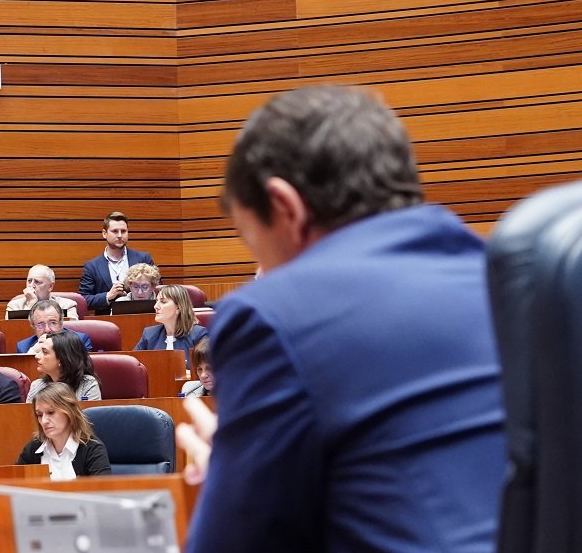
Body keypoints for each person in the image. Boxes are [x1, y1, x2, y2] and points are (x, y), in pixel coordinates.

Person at [175, 86, 506, 552]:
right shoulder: (503, 276)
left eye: (254, 243)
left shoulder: (270, 317)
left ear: (286, 206)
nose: (263, 272)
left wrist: (226, 480)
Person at [16, 381, 112, 480]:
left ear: (69, 412)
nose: (44, 421)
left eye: (51, 412)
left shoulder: (92, 449)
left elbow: (103, 492)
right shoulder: (33, 449)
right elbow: (14, 487)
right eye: (40, 415)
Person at [78, 211, 156, 314]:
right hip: (106, 322)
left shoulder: (143, 258)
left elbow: (157, 289)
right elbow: (83, 300)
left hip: (141, 316)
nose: (120, 235)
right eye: (115, 231)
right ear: (104, 233)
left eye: (123, 231)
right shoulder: (92, 266)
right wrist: (108, 296)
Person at [133, 284, 208, 364]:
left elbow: (206, 369)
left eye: (163, 302)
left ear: (178, 308)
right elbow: (134, 366)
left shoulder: (199, 335)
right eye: (156, 301)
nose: (156, 306)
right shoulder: (149, 335)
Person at [26, 330, 101, 402]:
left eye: (45, 352)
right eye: (40, 351)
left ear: (62, 359)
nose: (37, 356)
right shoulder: (36, 386)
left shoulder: (87, 384)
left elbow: (90, 415)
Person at [14, 299, 94, 354]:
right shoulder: (24, 347)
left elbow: (81, 371)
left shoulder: (80, 341)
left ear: (61, 323)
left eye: (52, 323)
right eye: (40, 324)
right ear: (33, 326)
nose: (47, 330)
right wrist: (33, 352)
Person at [5, 264, 79, 319]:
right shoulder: (14, 306)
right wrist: (31, 305)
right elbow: (15, 332)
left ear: (50, 286)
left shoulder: (67, 305)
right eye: (29, 281)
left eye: (37, 282)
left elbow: (70, 335)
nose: (31, 285)